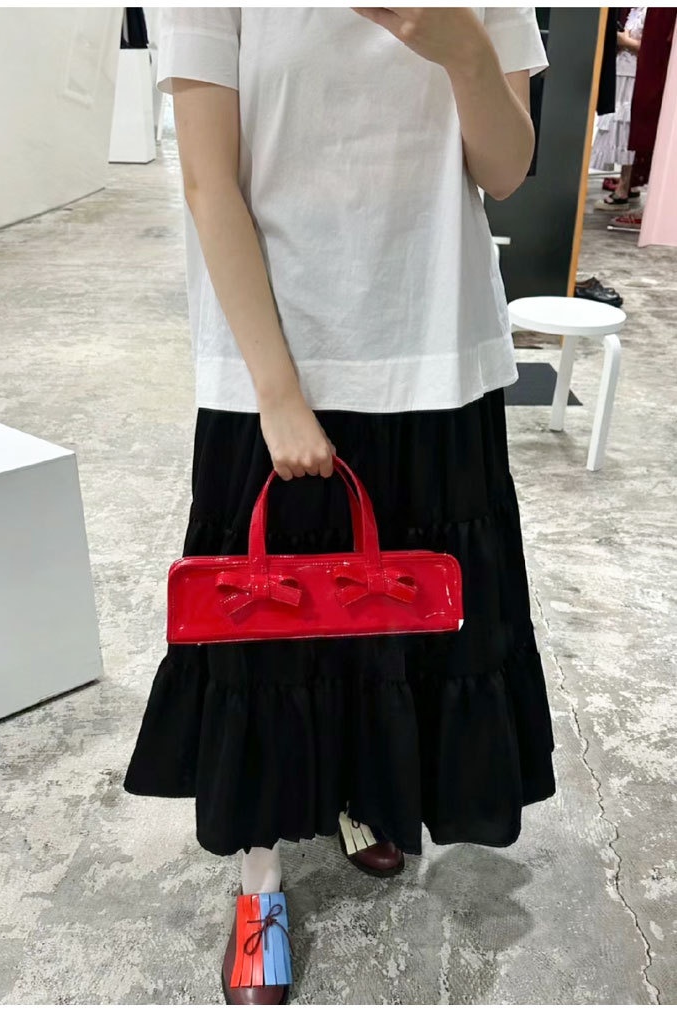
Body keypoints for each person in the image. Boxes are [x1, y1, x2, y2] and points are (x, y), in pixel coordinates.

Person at [124, 7, 556, 1005]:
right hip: (274, 361)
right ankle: (260, 884)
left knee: (398, 626)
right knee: (264, 640)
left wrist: (462, 49)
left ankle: (363, 795)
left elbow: (504, 170)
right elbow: (209, 180)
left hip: (433, 348)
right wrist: (278, 393)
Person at [592, 6, 647, 211]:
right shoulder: (635, 9)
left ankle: (624, 189)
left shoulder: (652, 10)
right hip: (623, 72)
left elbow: (653, 49)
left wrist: (623, 40)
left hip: (635, 76)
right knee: (623, 131)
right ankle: (627, 184)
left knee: (629, 133)